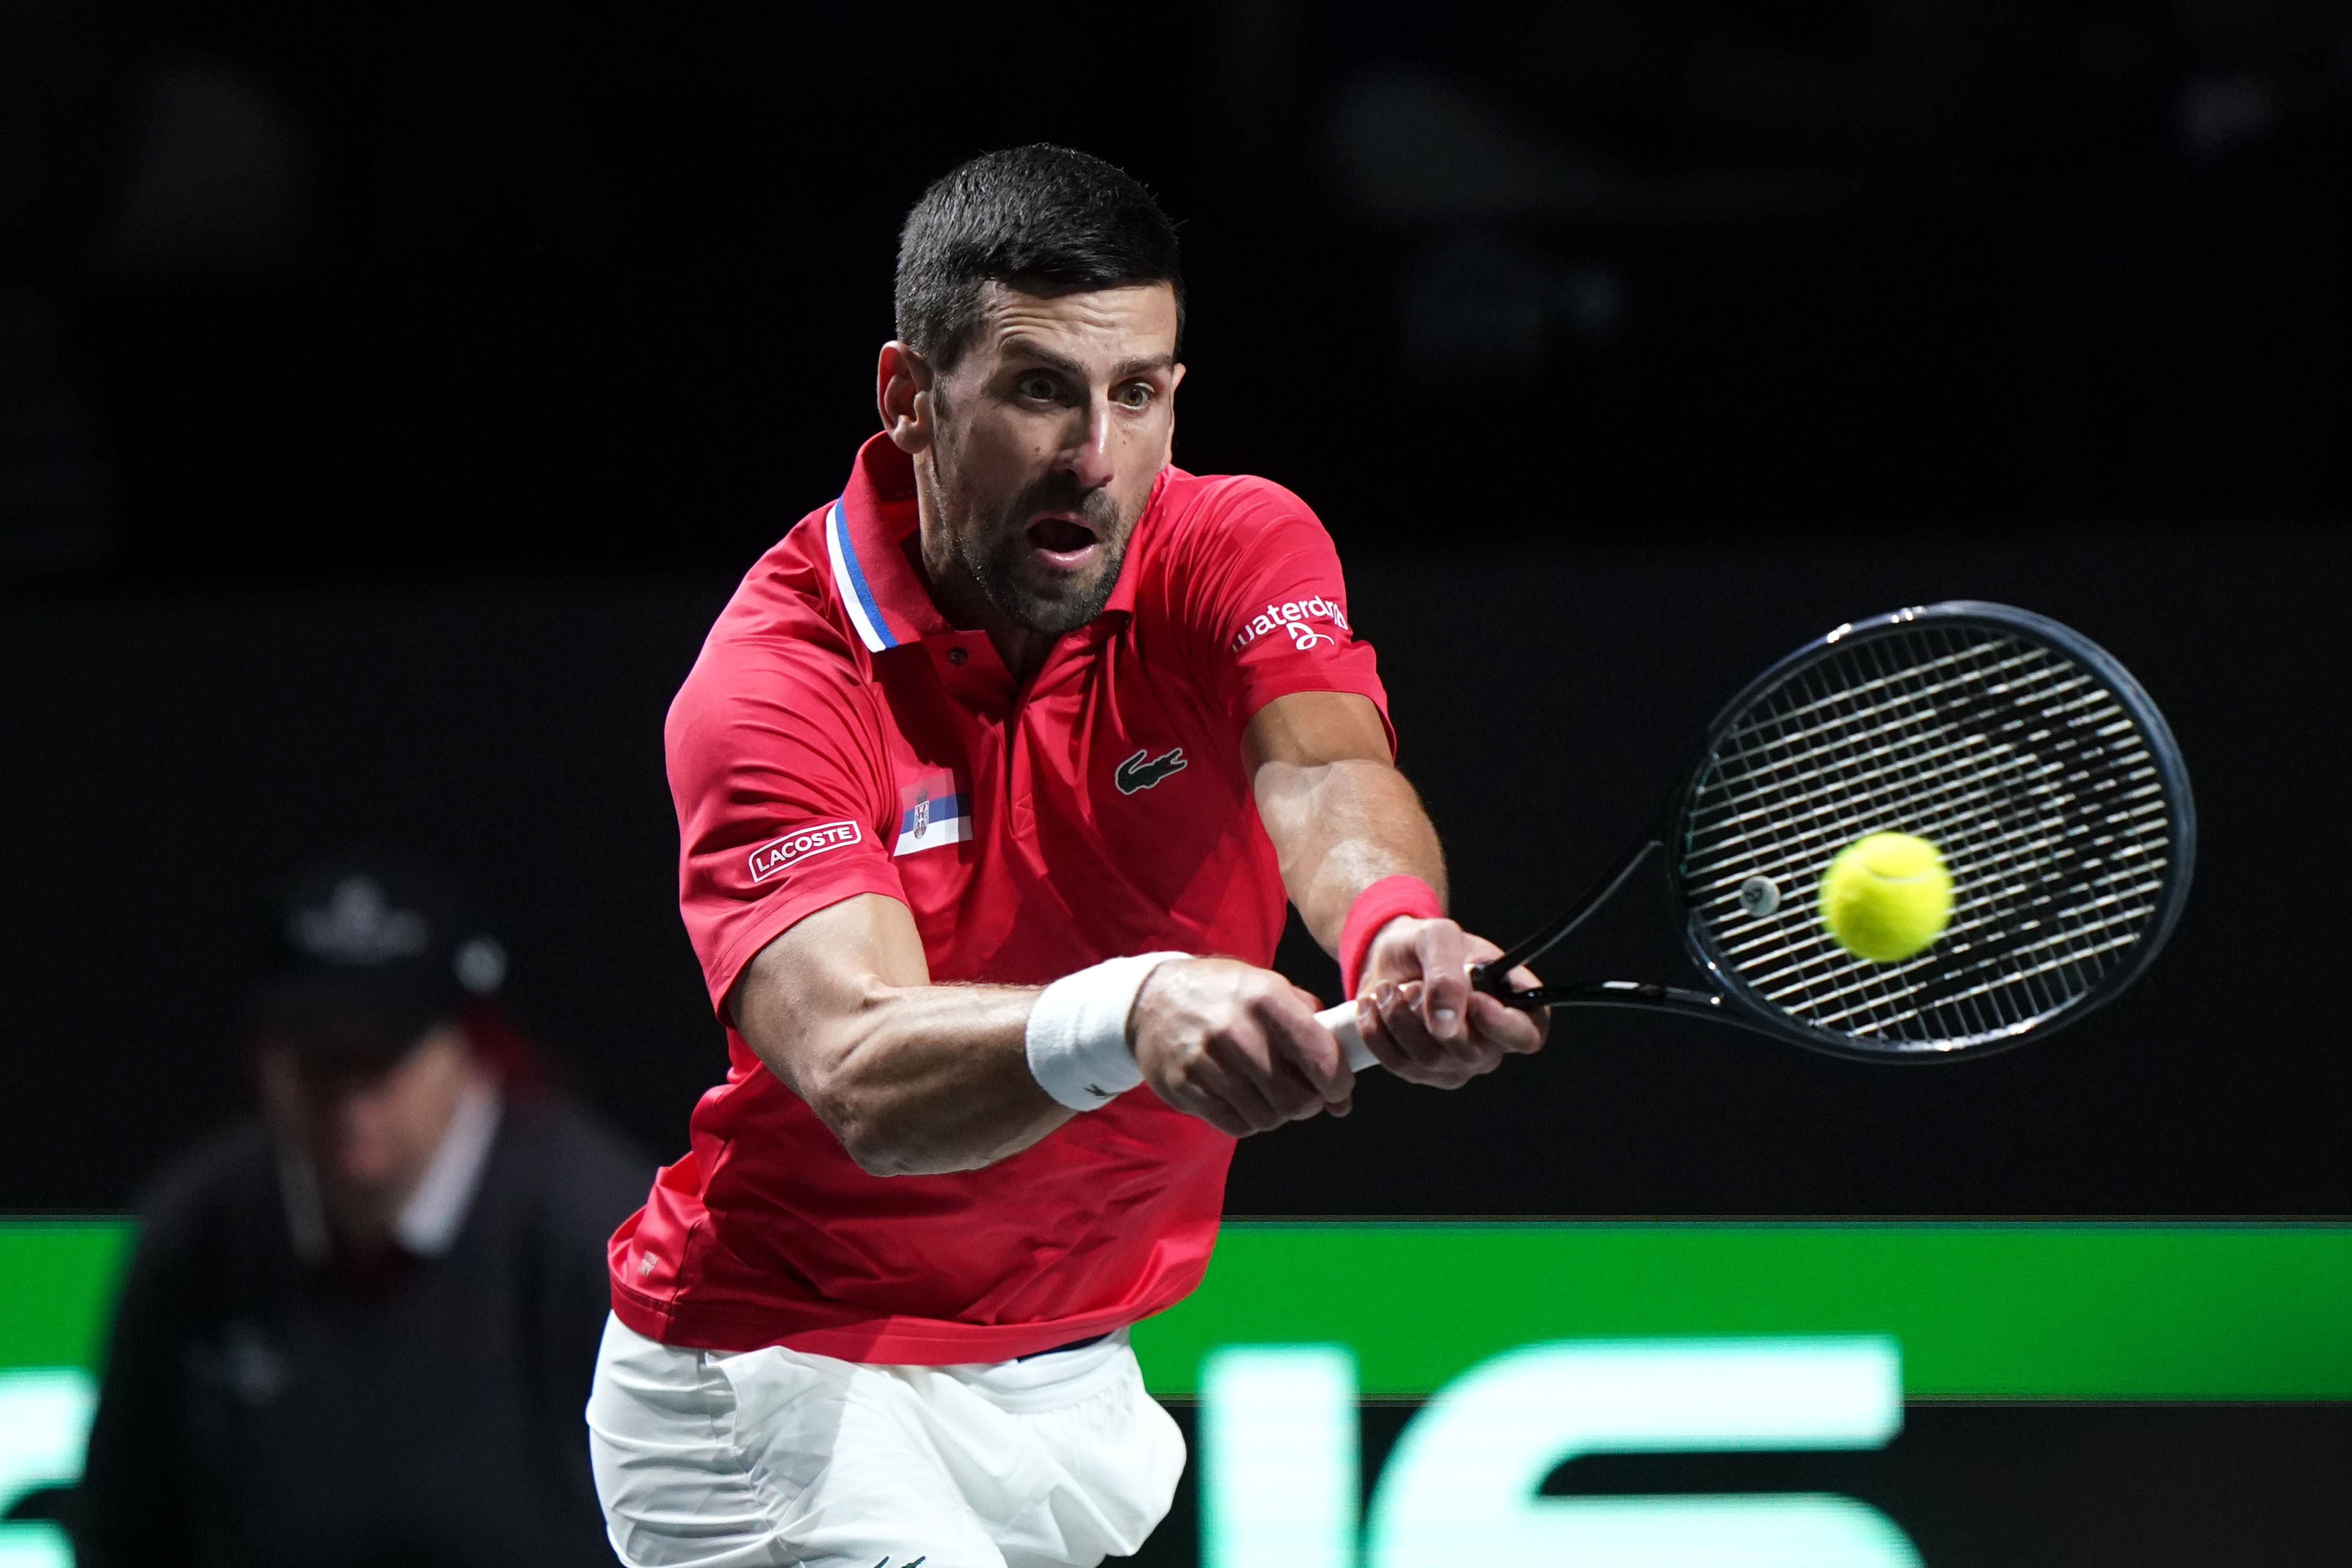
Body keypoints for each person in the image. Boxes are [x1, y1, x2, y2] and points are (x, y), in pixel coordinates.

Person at [586, 145, 1547, 1568]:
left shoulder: (1229, 543)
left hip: (1067, 1367)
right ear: (909, 398)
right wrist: (1138, 1005)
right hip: (787, 1371)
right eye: (1039, 388)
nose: (1094, 458)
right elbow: (859, 1072)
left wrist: (1390, 923)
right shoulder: (774, 682)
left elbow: (1325, 764)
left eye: (1137, 393)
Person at [76, 858, 651, 1568]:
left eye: (385, 1057)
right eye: (322, 1058)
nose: (354, 1101)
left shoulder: (604, 1236)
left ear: (465, 1052)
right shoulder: (198, 1234)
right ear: (268, 1061)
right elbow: (121, 1524)